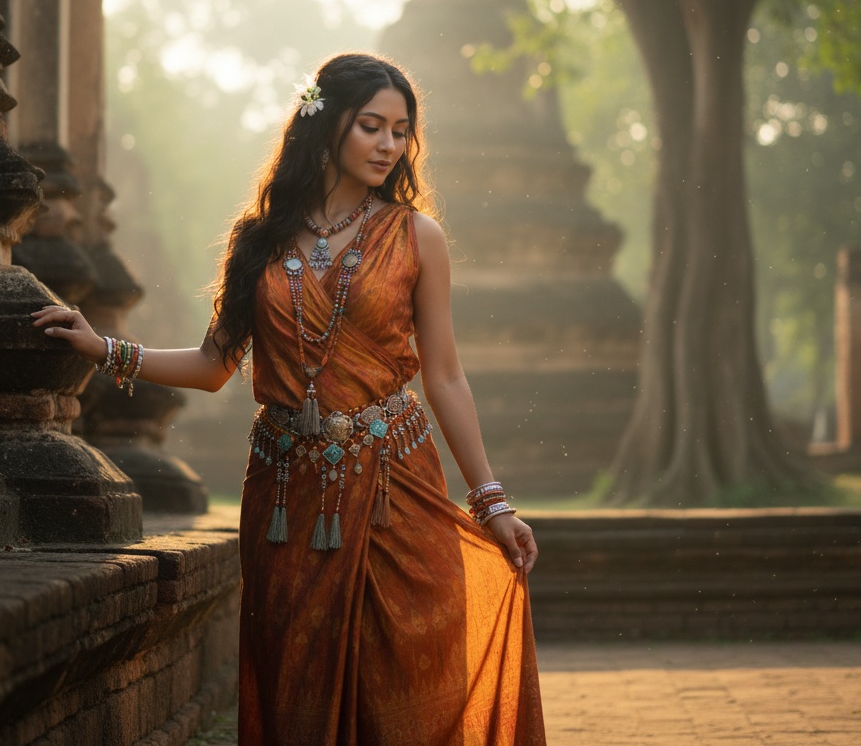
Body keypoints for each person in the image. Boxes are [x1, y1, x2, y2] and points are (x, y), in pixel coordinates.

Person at [33, 51, 547, 746]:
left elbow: (445, 375)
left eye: (401, 131)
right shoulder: (260, 241)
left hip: (399, 489)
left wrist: (492, 501)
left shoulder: (416, 237)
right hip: (287, 499)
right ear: (325, 123)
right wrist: (109, 350)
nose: (390, 145)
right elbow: (217, 365)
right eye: (372, 126)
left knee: (411, 672)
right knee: (293, 684)